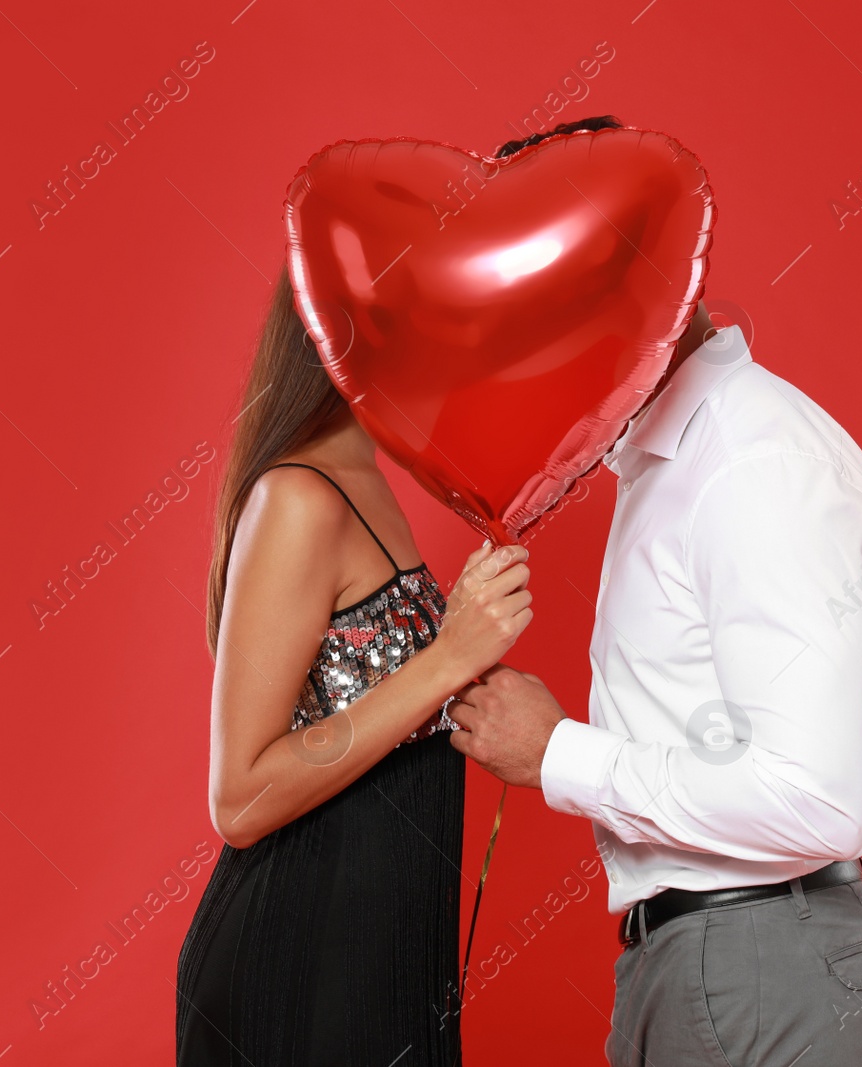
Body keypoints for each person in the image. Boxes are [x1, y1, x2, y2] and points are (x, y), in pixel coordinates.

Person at [450, 118, 862, 1066]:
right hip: (722, 960)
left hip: (756, 965)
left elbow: (814, 799)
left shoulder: (751, 465)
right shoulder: (678, 463)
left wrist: (558, 753)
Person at [175, 264, 533, 1066]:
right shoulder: (298, 496)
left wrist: (478, 690)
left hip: (386, 965)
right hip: (300, 967)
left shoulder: (371, 475)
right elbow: (239, 795)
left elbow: (378, 703)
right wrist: (447, 660)